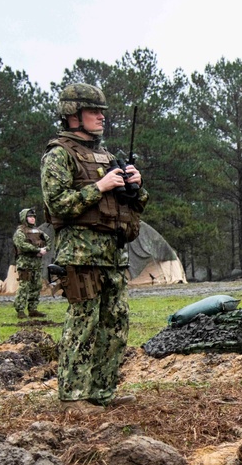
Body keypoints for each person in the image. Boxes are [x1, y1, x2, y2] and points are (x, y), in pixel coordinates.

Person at [41, 83, 148, 409]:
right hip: (81, 255)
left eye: (102, 111)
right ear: (73, 115)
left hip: (114, 255)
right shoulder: (59, 155)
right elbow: (57, 205)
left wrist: (136, 187)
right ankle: (73, 397)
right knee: (83, 324)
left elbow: (135, 205)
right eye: (93, 111)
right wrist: (99, 187)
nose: (101, 117)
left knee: (114, 326)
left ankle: (102, 392)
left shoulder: (106, 156)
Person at [12, 208, 49, 319]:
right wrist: (37, 250)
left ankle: (33, 309)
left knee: (36, 286)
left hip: (36, 264)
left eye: (34, 216)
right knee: (24, 287)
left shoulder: (38, 232)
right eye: (30, 216)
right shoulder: (20, 232)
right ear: (24, 218)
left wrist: (45, 249)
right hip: (25, 264)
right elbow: (22, 245)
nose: (32, 218)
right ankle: (20, 310)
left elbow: (49, 241)